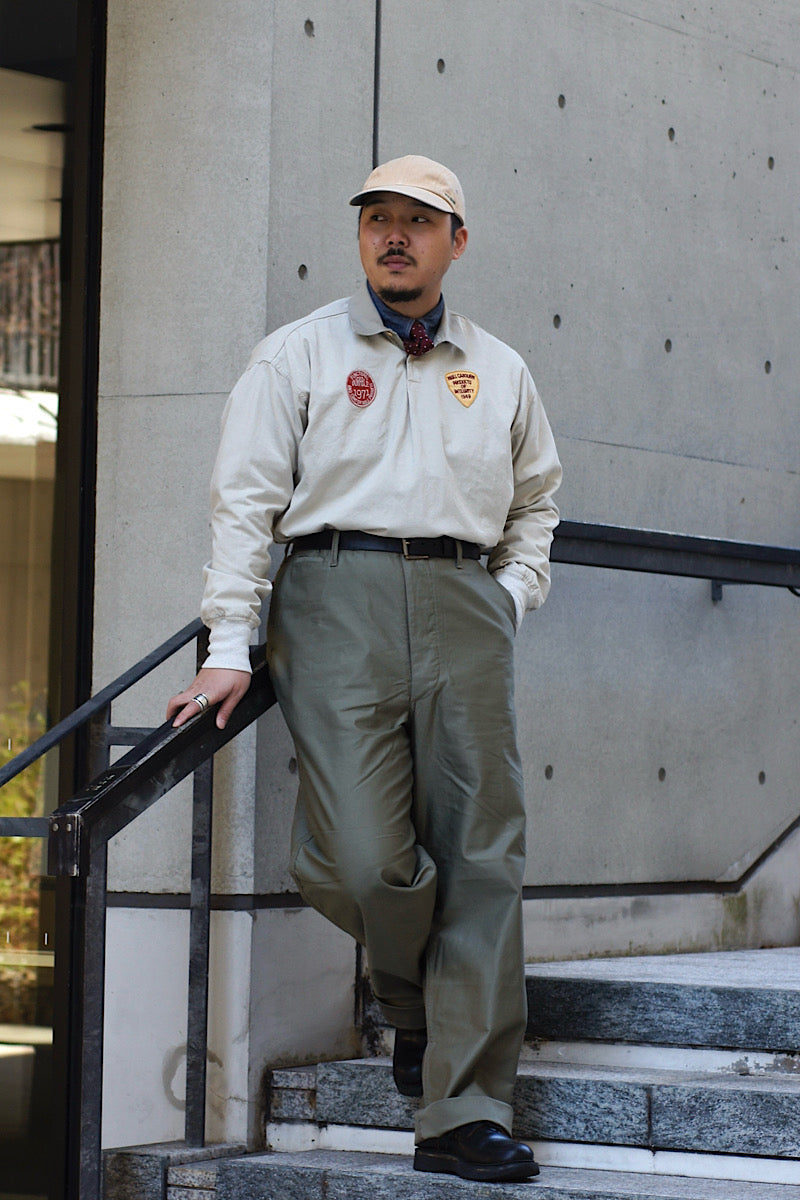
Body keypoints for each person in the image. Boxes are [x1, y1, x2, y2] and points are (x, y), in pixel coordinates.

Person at [168, 155, 561, 1183]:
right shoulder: (294, 357)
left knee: (479, 854)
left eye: (417, 223)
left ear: (454, 242)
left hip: (464, 600)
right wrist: (226, 647)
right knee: (357, 859)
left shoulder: (501, 370)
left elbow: (536, 502)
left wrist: (508, 595)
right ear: (361, 237)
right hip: (331, 595)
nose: (393, 236)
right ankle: (412, 998)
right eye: (377, 220)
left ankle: (460, 1114)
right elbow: (244, 507)